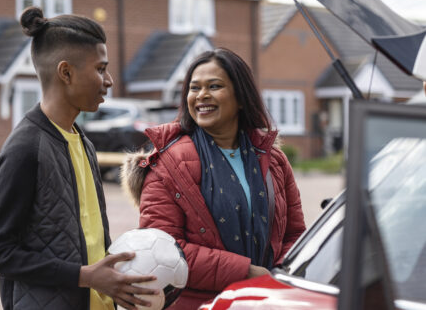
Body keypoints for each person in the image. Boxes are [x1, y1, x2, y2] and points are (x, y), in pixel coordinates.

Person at [0, 7, 158, 310]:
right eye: (101, 69)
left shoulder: (83, 142)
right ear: (66, 72)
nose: (109, 80)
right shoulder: (24, 149)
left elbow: (89, 238)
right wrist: (85, 276)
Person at [121, 48, 306, 309]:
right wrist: (247, 272)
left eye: (214, 86)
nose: (201, 96)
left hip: (266, 300)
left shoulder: (273, 159)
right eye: (194, 88)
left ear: (241, 97)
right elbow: (165, 248)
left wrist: (280, 274)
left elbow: (294, 233)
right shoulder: (168, 164)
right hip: (201, 304)